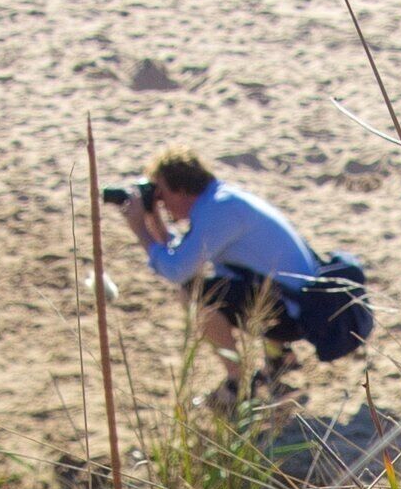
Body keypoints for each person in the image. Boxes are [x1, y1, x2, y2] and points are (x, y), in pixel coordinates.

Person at [114, 149, 374, 398]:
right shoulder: (221, 200)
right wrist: (154, 220)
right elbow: (184, 256)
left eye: (161, 195)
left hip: (299, 316)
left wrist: (139, 228)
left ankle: (238, 384)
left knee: (194, 295)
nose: (160, 203)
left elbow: (177, 271)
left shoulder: (218, 212)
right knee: (221, 286)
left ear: (180, 189)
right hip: (300, 304)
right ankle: (277, 357)